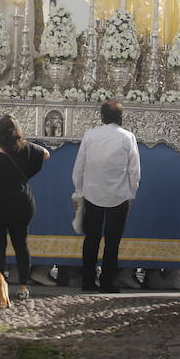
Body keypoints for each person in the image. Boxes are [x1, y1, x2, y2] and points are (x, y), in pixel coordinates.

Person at [0, 115, 51, 299]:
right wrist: (24, 141)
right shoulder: (24, 149)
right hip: (20, 205)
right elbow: (46, 153)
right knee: (21, 244)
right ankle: (23, 287)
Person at [73, 99, 141, 293]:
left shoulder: (90, 135)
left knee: (91, 238)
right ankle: (107, 282)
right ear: (121, 117)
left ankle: (87, 281)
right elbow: (134, 170)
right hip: (118, 195)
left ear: (102, 117)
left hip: (92, 193)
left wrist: (79, 191)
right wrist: (132, 194)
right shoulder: (128, 137)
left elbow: (79, 166)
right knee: (112, 242)